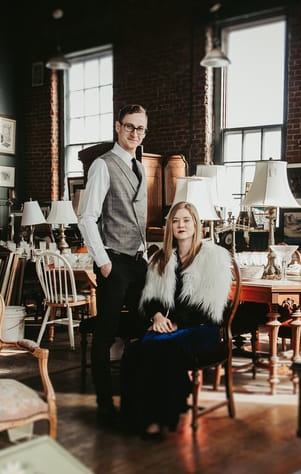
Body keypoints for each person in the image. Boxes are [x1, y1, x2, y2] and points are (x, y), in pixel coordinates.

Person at [120, 201, 233, 439]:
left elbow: (208, 305)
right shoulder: (161, 258)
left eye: (186, 220)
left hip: (202, 327)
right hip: (167, 325)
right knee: (134, 351)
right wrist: (158, 316)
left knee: (163, 348)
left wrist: (177, 323)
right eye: (175, 220)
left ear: (195, 224)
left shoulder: (213, 256)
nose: (181, 225)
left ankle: (159, 417)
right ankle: (135, 417)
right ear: (169, 226)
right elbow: (150, 298)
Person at [76, 104, 149, 427]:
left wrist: (146, 253)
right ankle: (105, 404)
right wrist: (104, 264)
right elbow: (87, 218)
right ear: (118, 127)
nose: (135, 133)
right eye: (130, 127)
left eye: (141, 129)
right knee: (105, 336)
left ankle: (136, 397)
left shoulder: (139, 165)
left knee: (143, 329)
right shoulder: (103, 166)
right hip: (114, 263)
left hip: (137, 261)